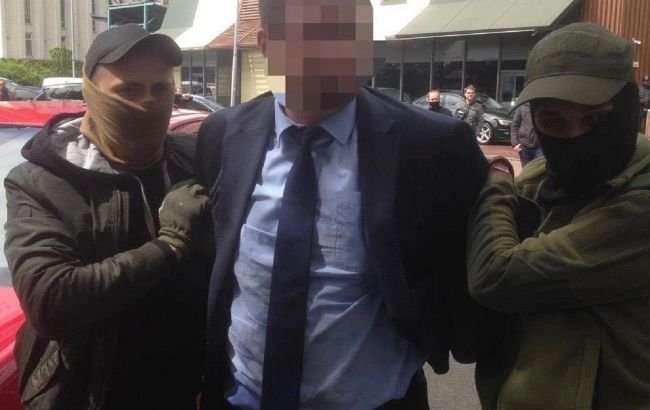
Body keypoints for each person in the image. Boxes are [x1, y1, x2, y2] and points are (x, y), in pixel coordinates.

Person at [194, 0, 501, 408]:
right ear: (267, 44)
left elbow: (478, 271)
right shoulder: (223, 134)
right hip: (239, 399)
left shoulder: (433, 146)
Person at [4, 24, 212, 409]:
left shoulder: (191, 160)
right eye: (128, 90)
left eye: (160, 88)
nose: (148, 102)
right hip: (87, 394)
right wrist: (170, 246)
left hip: (179, 388)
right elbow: (50, 302)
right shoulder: (41, 181)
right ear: (91, 91)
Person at [467, 22, 650, 409]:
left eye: (596, 120)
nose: (574, 137)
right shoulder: (540, 176)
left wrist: (498, 179)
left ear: (628, 108)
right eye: (554, 123)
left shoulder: (641, 201)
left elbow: (496, 276)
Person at [510, 102, 543, 166]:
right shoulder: (522, 107)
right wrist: (515, 143)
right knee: (526, 169)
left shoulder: (542, 106)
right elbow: (515, 125)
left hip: (540, 146)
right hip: (524, 146)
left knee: (538, 169)